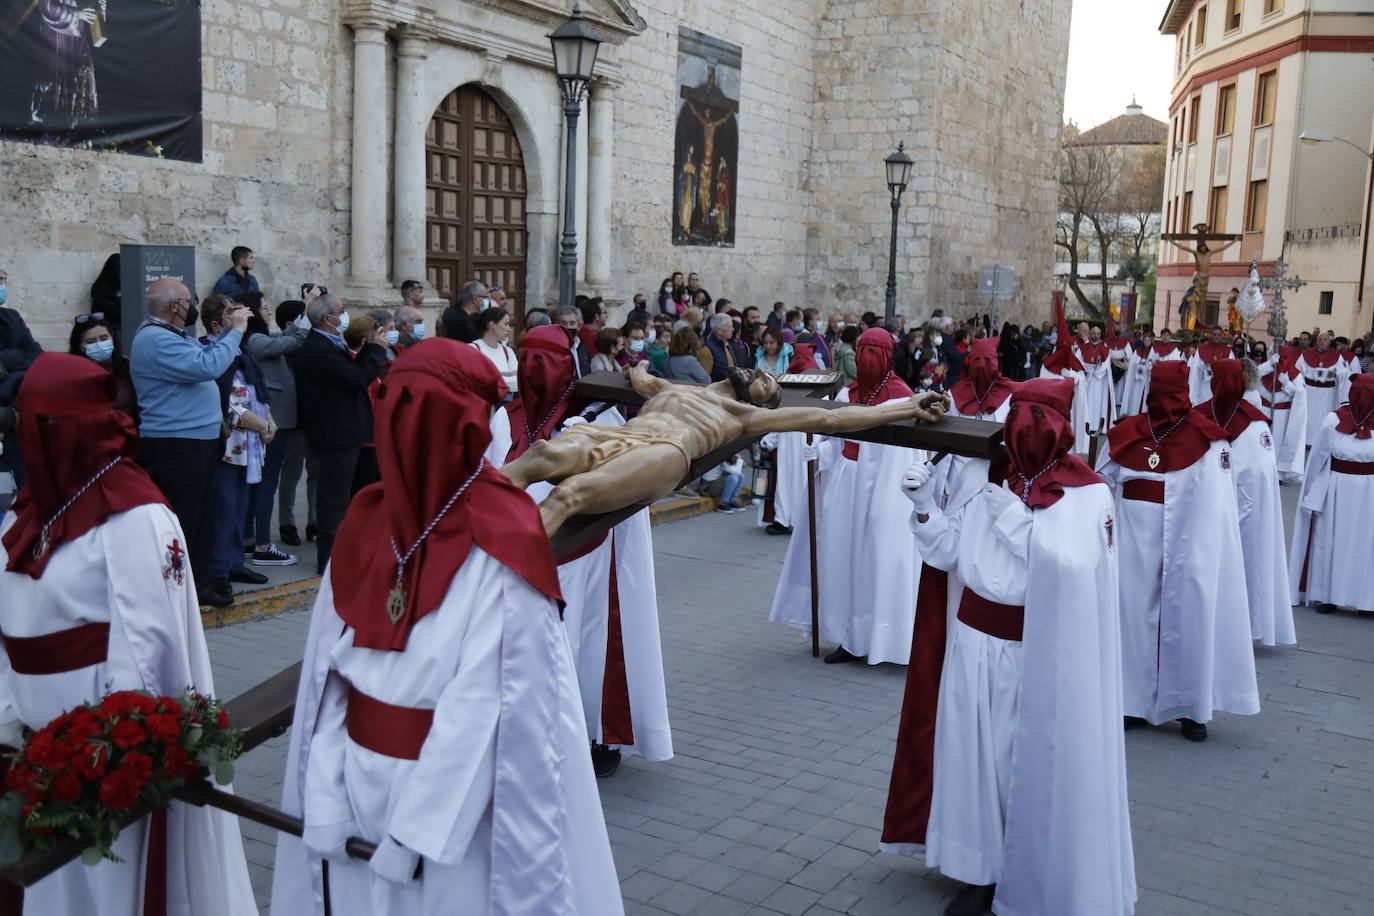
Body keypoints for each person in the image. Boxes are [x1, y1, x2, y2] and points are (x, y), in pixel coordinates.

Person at [269, 340, 623, 916]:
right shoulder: (367, 521)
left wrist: (414, 833)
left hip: (454, 818)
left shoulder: (502, 539)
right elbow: (331, 679)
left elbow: (486, 705)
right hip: (353, 789)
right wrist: (328, 801)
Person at [0, 353, 257, 916]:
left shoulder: (136, 517)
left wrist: (108, 750)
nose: (28, 436)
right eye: (23, 420)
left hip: (97, 755)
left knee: (109, 888)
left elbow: (151, 648)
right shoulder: (26, 511)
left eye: (42, 424)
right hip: (30, 745)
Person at [886, 378, 1135, 916]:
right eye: (1018, 415)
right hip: (971, 642)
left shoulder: (1088, 492)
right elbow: (951, 554)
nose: (1024, 429)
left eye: (1037, 418)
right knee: (971, 761)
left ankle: (1031, 872)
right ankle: (978, 871)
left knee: (1020, 764)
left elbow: (1076, 571)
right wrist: (926, 506)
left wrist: (1013, 519)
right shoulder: (983, 472)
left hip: (1037, 652)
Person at [510, 326, 674, 777]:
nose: (536, 370)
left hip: (588, 553)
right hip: (517, 553)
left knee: (586, 645)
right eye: (529, 359)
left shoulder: (598, 420)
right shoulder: (504, 416)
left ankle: (593, 734)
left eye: (549, 360)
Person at [1097, 361, 1259, 741]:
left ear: (1186, 392)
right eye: (1160, 393)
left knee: (1188, 622)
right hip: (1132, 545)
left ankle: (1190, 708)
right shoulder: (1126, 434)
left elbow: (1219, 504)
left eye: (1173, 394)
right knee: (1133, 620)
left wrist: (1201, 546)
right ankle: (1131, 702)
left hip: (1188, 545)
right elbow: (1100, 485)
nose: (1165, 401)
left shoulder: (1208, 439)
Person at [778, 329, 923, 666]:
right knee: (840, 559)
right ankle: (846, 636)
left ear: (889, 355)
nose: (867, 358)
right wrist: (820, 451)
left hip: (881, 492)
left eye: (876, 351)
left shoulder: (900, 397)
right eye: (863, 350)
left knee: (875, 563)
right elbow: (836, 437)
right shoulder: (847, 392)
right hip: (845, 487)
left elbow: (902, 456)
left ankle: (880, 640)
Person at [130, 279, 247, 607]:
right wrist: (236, 331)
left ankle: (200, 582)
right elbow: (208, 366)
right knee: (186, 519)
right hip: (177, 443)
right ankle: (181, 589)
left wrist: (224, 332)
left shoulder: (170, 336)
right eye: (187, 300)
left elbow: (208, 358)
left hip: (194, 439)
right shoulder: (156, 339)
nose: (192, 305)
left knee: (201, 517)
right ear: (173, 306)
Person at [1193, 359, 1296, 646]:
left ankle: (1245, 626)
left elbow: (1259, 477)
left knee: (1245, 565)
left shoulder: (1255, 425)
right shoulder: (1198, 416)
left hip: (1242, 516)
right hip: (1209, 509)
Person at [294, 294, 389, 574]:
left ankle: (352, 553)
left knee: (353, 498)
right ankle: (332, 559)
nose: (345, 316)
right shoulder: (317, 348)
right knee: (335, 499)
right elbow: (356, 378)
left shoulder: (331, 345)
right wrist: (375, 350)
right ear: (328, 319)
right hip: (334, 433)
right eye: (341, 311)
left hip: (349, 430)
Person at [199, 297, 276, 601]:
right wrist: (260, 424)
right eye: (233, 317)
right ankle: (218, 570)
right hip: (228, 441)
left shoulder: (240, 351)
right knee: (224, 507)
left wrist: (269, 420)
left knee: (240, 508)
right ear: (217, 324)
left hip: (249, 443)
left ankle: (234, 563)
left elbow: (256, 388)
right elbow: (224, 398)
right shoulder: (210, 350)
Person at [1290, 374, 1374, 616]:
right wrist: (1310, 493)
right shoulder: (1333, 420)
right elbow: (1316, 459)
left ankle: (1366, 600)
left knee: (1366, 545)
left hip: (1370, 493)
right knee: (1330, 541)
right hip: (1335, 491)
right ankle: (1326, 595)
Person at [241, 294, 309, 566]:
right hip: (271, 422)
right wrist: (310, 310)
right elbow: (294, 340)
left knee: (261, 482)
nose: (267, 310)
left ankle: (249, 540)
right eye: (263, 307)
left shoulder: (260, 338)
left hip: (274, 420)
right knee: (266, 483)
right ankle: (262, 545)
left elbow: (287, 334)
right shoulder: (256, 340)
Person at [67, 312, 136, 419]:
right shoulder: (74, 374)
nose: (99, 344)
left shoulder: (126, 366)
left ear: (112, 337)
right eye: (91, 341)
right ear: (81, 346)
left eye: (104, 338)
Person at [1296, 332, 1349, 447]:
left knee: (1325, 417)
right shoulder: (1306, 355)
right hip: (1310, 392)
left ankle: (1323, 441)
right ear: (1316, 341)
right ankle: (1306, 441)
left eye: (1325, 339)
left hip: (1328, 394)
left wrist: (1332, 373)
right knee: (1309, 417)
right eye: (1320, 339)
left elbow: (1344, 373)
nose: (1322, 342)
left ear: (1330, 342)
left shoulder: (1337, 356)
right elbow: (1297, 372)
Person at [470, 306, 518, 391]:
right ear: (492, 324)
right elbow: (479, 382)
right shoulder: (473, 349)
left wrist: (494, 380)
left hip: (505, 403)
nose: (509, 329)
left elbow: (518, 382)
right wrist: (509, 377)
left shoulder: (508, 352)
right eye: (506, 324)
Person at [703, 312, 750, 381]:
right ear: (719, 331)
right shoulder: (707, 350)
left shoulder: (727, 345)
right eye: (730, 327)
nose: (733, 330)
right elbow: (705, 379)